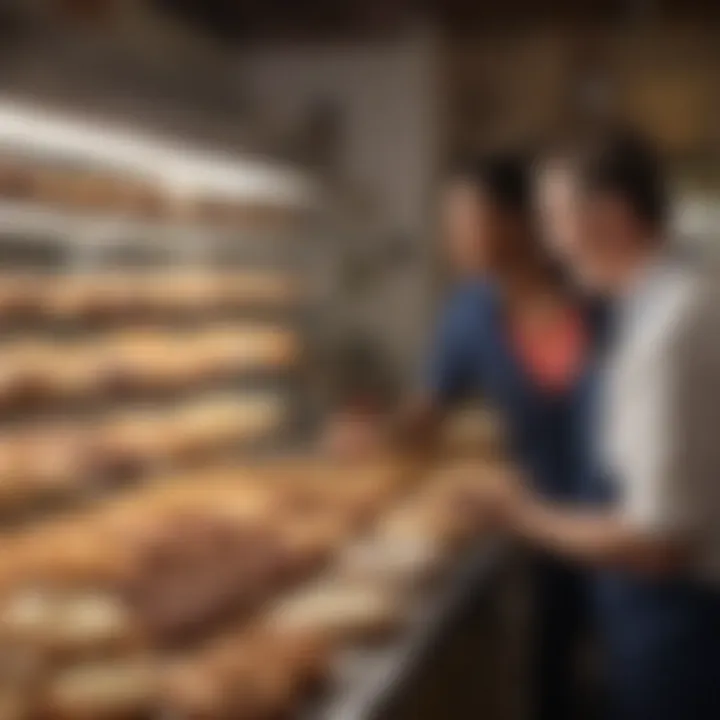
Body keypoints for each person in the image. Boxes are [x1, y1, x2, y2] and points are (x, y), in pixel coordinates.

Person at [330, 152, 600, 720]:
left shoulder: (595, 293)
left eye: (463, 217)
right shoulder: (469, 312)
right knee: (553, 682)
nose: (450, 234)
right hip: (544, 529)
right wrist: (379, 431)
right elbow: (427, 413)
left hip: (627, 531)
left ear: (518, 221)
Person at [486, 129, 720, 719]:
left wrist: (518, 514)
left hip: (679, 630)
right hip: (656, 623)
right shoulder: (662, 304)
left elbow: (658, 544)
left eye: (557, 220)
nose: (550, 244)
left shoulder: (670, 327)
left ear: (613, 216)